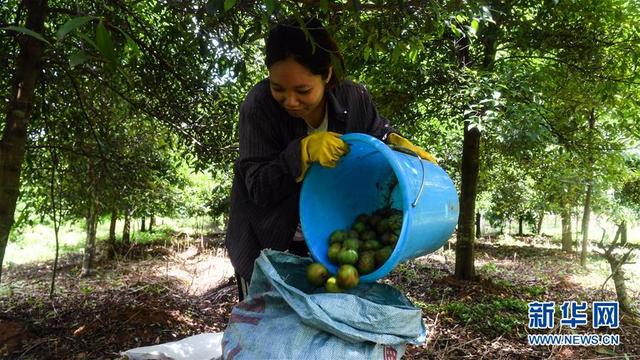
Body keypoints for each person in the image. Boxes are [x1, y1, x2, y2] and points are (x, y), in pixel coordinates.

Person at [225, 18, 436, 301]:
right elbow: (258, 188)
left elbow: (377, 134)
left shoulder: (354, 98)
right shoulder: (259, 106)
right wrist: (300, 153)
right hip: (267, 244)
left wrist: (397, 142)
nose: (290, 101)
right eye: (279, 89)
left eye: (302, 91)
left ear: (325, 74)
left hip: (328, 242)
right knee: (270, 333)